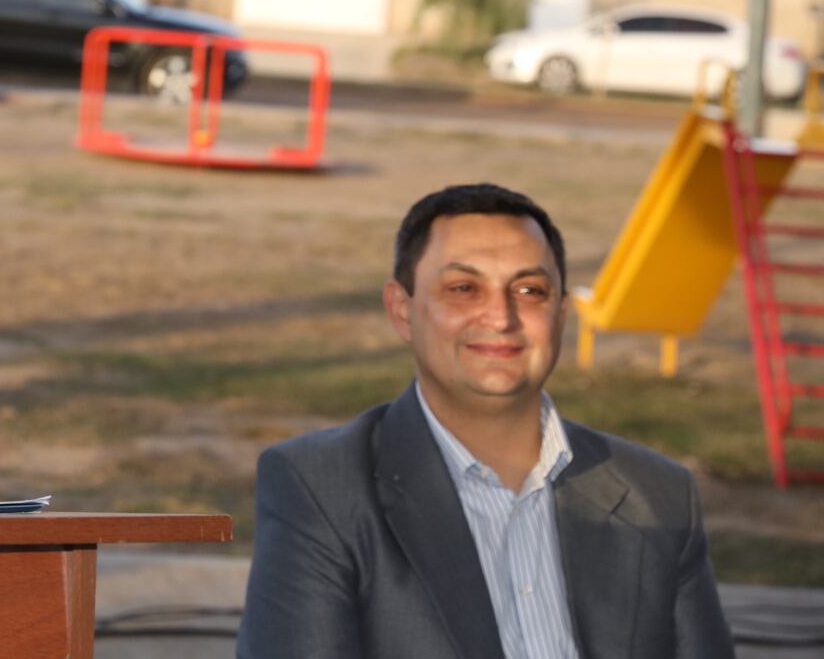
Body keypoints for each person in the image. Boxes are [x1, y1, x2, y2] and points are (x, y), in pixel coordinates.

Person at [237, 182, 732, 659]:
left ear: (561, 314)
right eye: (463, 288)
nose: (500, 316)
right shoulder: (321, 490)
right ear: (403, 310)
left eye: (530, 290)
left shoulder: (658, 495)